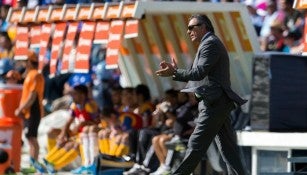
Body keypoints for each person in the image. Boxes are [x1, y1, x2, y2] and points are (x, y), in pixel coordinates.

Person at [155, 14, 248, 175]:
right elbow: (197, 74)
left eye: (192, 27)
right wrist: (176, 72)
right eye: (187, 28)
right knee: (229, 153)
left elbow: (198, 73)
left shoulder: (210, 44)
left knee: (195, 143)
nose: (188, 31)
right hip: (218, 103)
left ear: (204, 27)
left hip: (214, 104)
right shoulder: (208, 43)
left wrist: (175, 72)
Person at [14, 50, 45, 173]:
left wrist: (21, 108)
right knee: (30, 137)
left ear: (29, 62)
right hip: (30, 110)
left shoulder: (35, 75)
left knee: (32, 137)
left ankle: (34, 165)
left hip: (34, 110)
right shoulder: (31, 74)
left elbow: (32, 96)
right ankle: (33, 164)